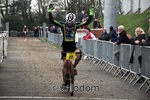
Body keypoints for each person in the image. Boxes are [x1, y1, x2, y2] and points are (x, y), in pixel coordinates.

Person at [48, 5, 94, 86]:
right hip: (65, 47)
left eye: (71, 22)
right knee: (65, 64)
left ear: (74, 21)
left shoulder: (76, 25)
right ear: (66, 20)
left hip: (72, 46)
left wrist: (91, 14)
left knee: (79, 54)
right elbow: (52, 20)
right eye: (69, 22)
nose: (70, 24)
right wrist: (49, 12)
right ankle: (64, 81)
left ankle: (74, 67)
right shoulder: (62, 25)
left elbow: (87, 22)